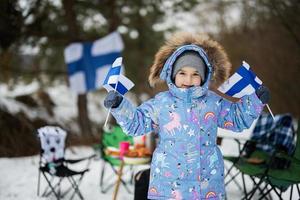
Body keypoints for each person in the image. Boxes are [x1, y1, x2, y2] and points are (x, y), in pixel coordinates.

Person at [104, 32, 270, 200]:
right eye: (182, 73)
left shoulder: (213, 102)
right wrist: (119, 105)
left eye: (195, 74)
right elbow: (136, 123)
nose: (188, 79)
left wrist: (255, 101)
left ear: (204, 76)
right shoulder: (161, 103)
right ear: (172, 74)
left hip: (206, 184)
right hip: (168, 185)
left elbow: (236, 119)